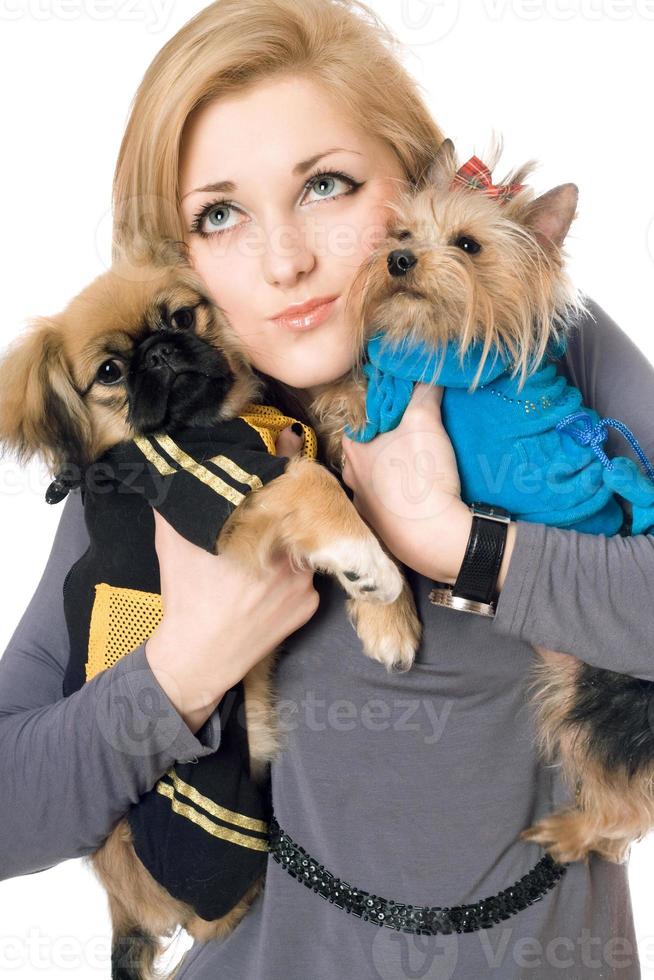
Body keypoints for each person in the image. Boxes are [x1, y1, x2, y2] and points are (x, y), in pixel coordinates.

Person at [1, 1, 653, 977]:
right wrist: (178, 668)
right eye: (219, 214)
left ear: (415, 182)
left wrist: (456, 543)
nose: (285, 261)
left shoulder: (523, 342)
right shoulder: (169, 451)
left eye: (325, 187)